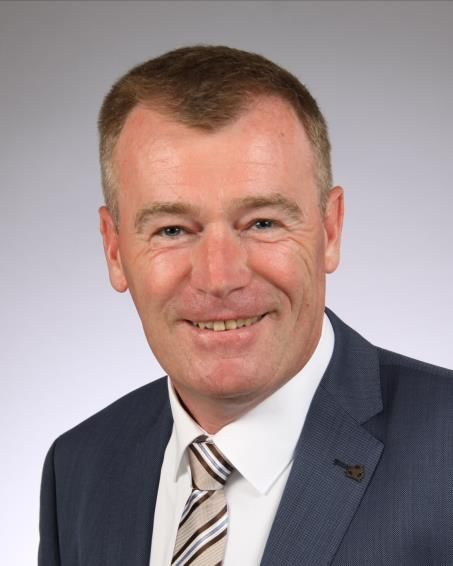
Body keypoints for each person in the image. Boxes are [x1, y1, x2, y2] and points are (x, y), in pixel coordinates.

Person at [38, 45, 453, 566]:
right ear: (115, 249)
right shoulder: (78, 468)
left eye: (262, 222)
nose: (219, 278)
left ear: (329, 230)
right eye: (172, 230)